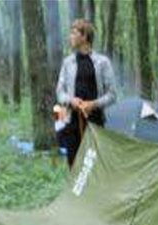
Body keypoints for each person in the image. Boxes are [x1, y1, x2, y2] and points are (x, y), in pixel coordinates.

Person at [55, 18, 116, 167]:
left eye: (74, 33)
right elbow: (59, 92)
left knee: (94, 168)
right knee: (74, 166)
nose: (70, 36)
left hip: (95, 123)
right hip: (72, 124)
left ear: (84, 36)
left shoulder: (102, 62)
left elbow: (112, 94)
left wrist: (93, 104)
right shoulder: (68, 63)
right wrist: (71, 101)